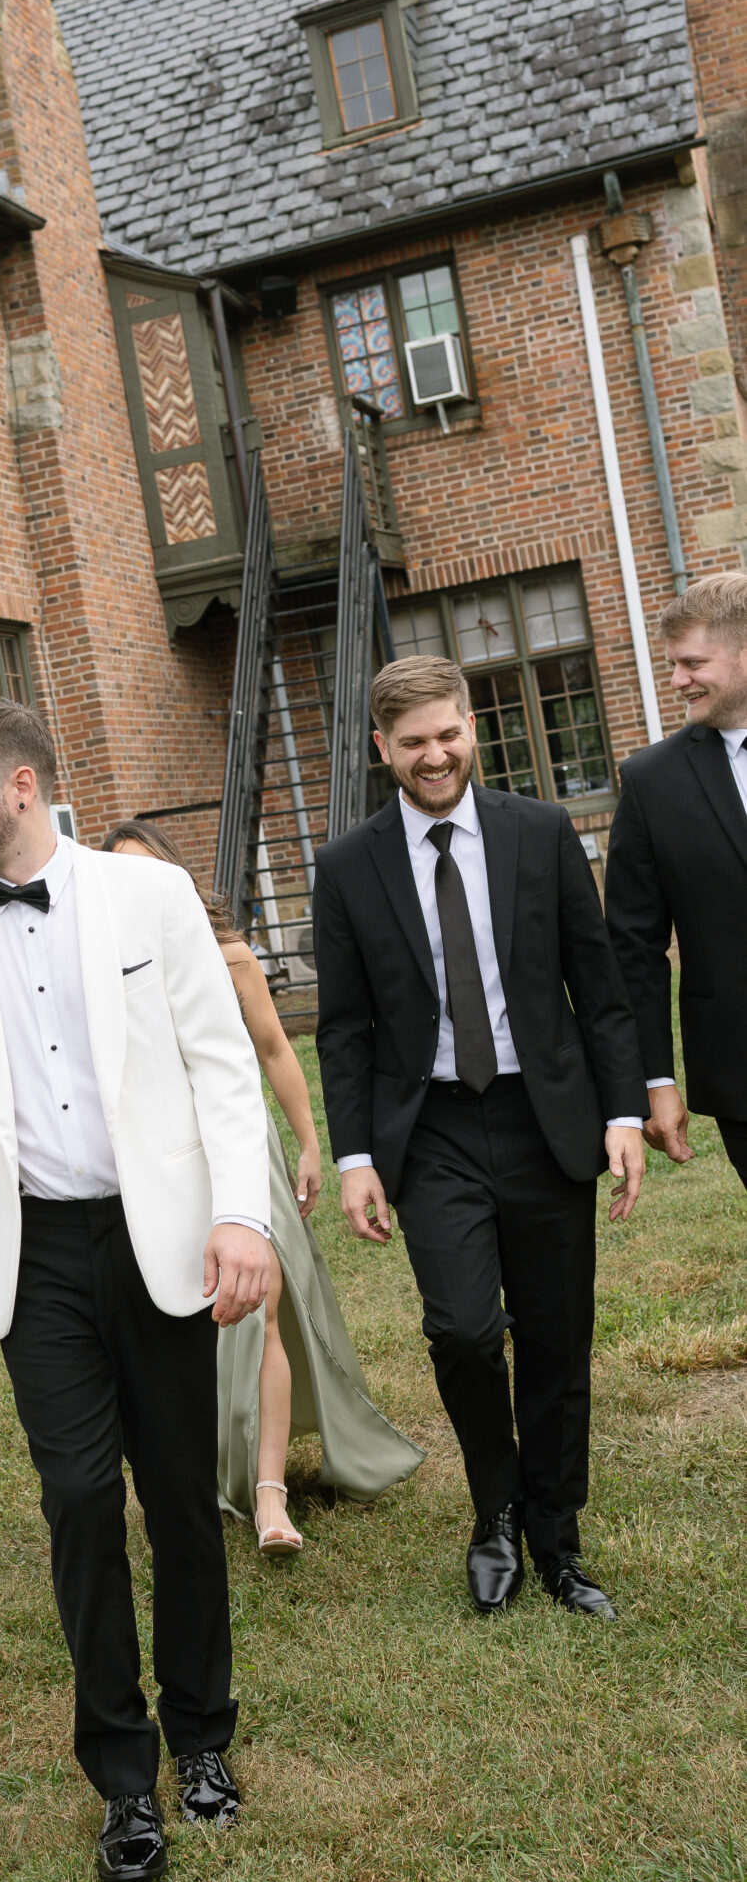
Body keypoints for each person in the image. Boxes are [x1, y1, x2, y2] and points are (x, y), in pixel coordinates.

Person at [0, 703, 271, 1882]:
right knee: (78, 1500)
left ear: (18, 785)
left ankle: (202, 1736)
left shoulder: (149, 896)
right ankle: (121, 1776)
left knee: (180, 1497)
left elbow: (222, 1061)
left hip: (161, 1238)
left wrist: (242, 1214)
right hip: (38, 1256)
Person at [311, 656, 647, 1621]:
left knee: (554, 1336)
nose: (434, 756)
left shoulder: (539, 832)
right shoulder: (348, 865)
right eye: (412, 742)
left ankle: (556, 1537)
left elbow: (599, 988)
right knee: (462, 1330)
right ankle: (493, 1511)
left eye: (448, 734)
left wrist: (621, 1114)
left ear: (471, 728)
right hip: (432, 1129)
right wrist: (353, 1157)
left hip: (544, 1118)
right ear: (382, 748)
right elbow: (343, 1029)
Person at [99, 827, 423, 1550]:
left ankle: (271, 1495)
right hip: (155, 1169)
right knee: (180, 1321)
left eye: (147, 872)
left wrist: (307, 1142)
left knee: (261, 1311)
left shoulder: (229, 956)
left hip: (242, 1156)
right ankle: (202, 1468)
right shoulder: (95, 969)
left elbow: (274, 1048)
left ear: (175, 878)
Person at [606, 571, 747, 1192]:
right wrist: (656, 1080)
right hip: (741, 1068)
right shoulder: (651, 782)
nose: (676, 680)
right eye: (672, 665)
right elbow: (633, 947)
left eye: (692, 663)